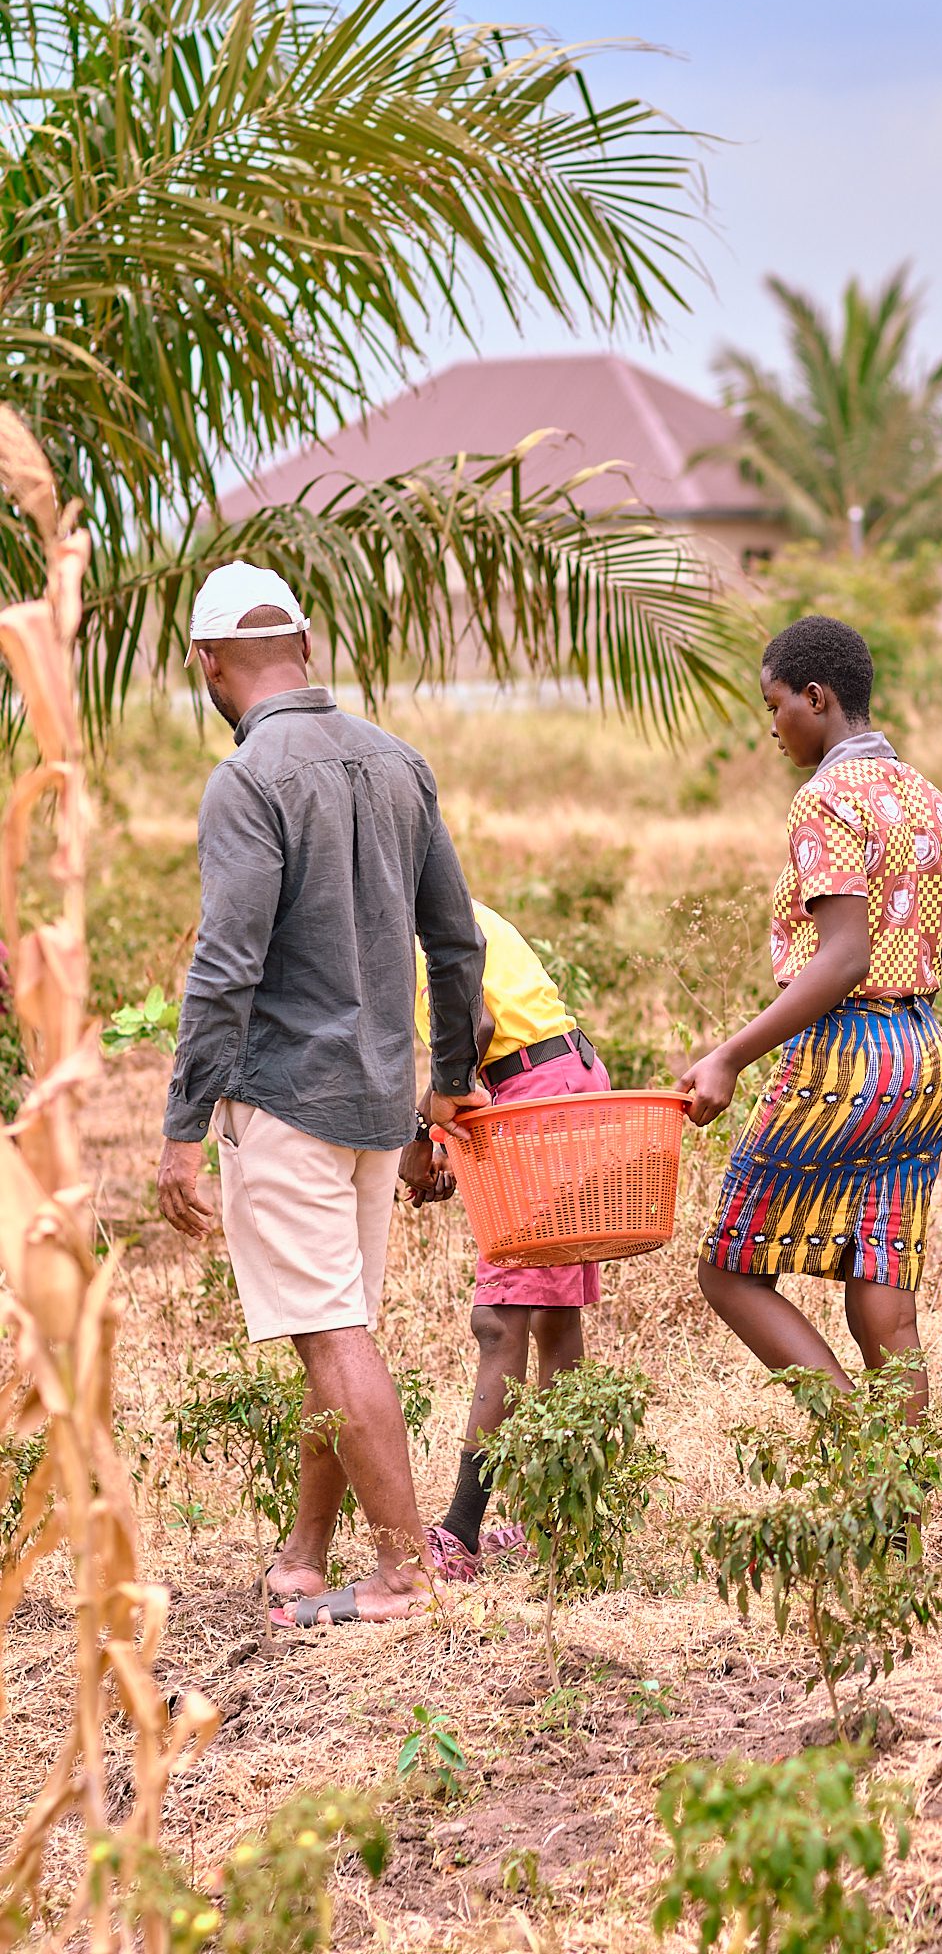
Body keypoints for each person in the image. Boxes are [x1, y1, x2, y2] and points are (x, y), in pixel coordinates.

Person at [157, 563, 488, 1628]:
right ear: (304, 643)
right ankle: (303, 1555)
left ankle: (402, 1573)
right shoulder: (398, 759)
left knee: (332, 1336)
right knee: (331, 1325)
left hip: (288, 1101)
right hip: (378, 1104)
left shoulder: (246, 779)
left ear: (207, 663)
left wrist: (179, 1128)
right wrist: (438, 1094)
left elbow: (224, 967)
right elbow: (456, 940)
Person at [686, 616, 942, 1415]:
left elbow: (844, 958)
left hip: (849, 1059)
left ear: (817, 696)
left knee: (730, 1270)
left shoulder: (825, 799)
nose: (773, 728)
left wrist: (730, 1056)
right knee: (880, 1287)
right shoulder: (923, 796)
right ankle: (900, 1524)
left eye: (775, 707)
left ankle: (860, 1460)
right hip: (920, 1056)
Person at [398, 900, 611, 1575]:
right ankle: (551, 1516)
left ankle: (460, 1533)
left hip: (531, 1094)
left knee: (500, 1318)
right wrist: (437, 1130)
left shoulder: (410, 922)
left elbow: (474, 1023)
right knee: (552, 1313)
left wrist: (421, 1128)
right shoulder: (454, 904)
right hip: (563, 1075)